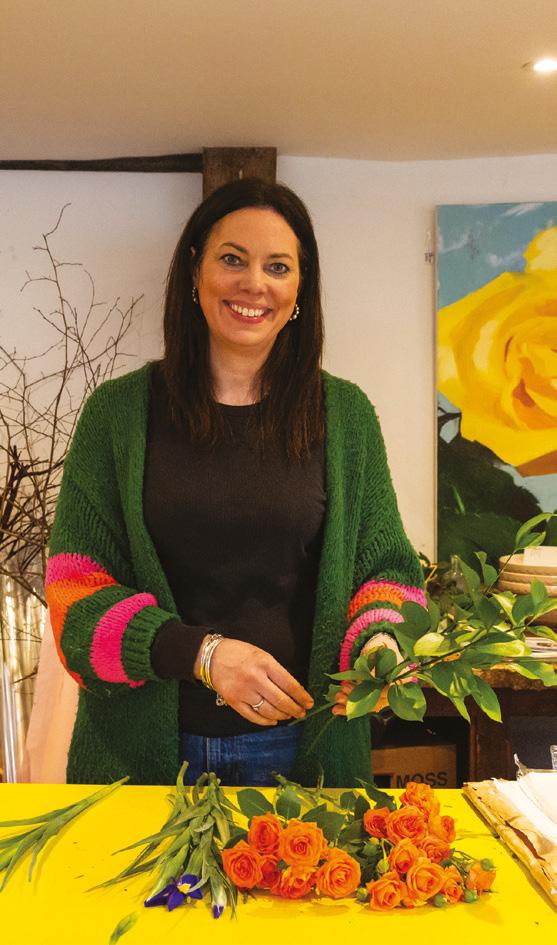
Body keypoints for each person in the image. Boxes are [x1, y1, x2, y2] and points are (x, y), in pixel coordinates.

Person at [45, 178, 425, 788]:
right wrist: (204, 655)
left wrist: (382, 643)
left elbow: (386, 574)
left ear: (299, 290)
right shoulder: (117, 416)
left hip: (302, 753)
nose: (254, 283)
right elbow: (75, 601)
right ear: (195, 272)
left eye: (278, 266)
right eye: (232, 259)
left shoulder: (345, 417)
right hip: (140, 757)